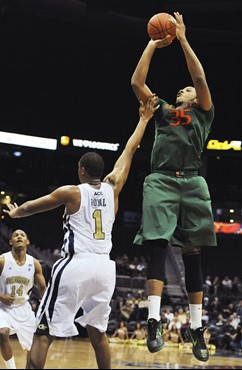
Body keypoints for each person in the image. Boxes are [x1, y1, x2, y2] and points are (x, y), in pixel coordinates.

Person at [4, 96, 159, 369]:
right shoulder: (114, 187)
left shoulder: (72, 192)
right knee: (98, 334)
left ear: (82, 170)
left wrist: (16, 213)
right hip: (104, 268)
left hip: (76, 264)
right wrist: (144, 119)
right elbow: (130, 150)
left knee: (43, 333)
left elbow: (32, 207)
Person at [131, 11, 217, 362]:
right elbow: (137, 83)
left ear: (194, 97)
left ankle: (196, 329)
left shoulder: (204, 111)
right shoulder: (164, 110)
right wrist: (152, 45)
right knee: (157, 242)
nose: (184, 88)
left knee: (193, 253)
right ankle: (154, 322)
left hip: (193, 181)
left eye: (187, 88)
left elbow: (198, 75)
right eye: (182, 88)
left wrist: (181, 38)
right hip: (161, 179)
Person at [0, 229, 46, 369]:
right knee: (2, 332)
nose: (19, 236)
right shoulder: (2, 260)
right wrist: (1, 296)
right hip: (3, 308)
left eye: (22, 235)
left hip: (23, 308)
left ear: (27, 242)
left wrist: (45, 308)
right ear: (10, 242)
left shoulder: (34, 263)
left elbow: (43, 288)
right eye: (15, 235)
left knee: (33, 346)